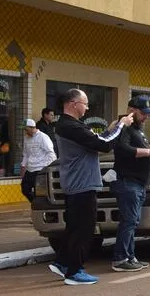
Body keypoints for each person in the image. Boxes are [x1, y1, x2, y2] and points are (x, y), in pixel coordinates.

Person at [48, 89, 134, 285]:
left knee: (74, 227)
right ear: (73, 104)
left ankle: (62, 262)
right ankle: (74, 272)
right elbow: (103, 146)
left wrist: (112, 130)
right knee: (84, 229)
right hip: (81, 184)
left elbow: (96, 141)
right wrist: (121, 126)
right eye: (85, 103)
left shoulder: (71, 126)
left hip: (77, 183)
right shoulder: (70, 126)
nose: (87, 108)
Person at [111, 95, 150, 272]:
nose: (146, 117)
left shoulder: (138, 129)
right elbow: (123, 149)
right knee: (128, 221)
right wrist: (148, 151)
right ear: (132, 111)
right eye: (143, 113)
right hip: (128, 182)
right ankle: (120, 258)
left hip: (139, 183)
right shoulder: (124, 128)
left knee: (133, 221)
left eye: (148, 113)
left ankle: (130, 256)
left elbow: (144, 148)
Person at [20, 118, 56, 202]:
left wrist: (46, 167)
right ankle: (34, 203)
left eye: (26, 129)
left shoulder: (43, 137)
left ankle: (39, 206)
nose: (25, 131)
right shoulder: (26, 138)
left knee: (39, 192)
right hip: (30, 169)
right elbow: (25, 154)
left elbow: (51, 154)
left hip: (40, 169)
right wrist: (23, 166)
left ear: (32, 127)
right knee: (25, 189)